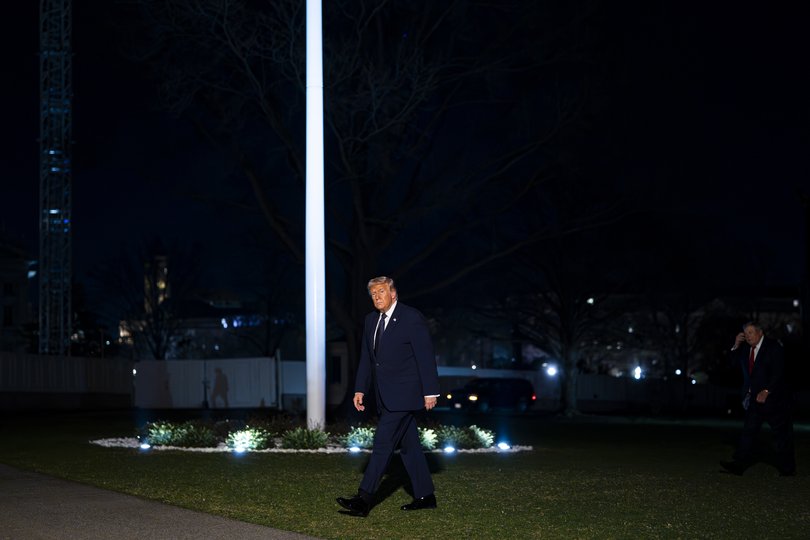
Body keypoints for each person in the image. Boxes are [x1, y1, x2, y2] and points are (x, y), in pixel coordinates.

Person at [336, 276, 441, 517]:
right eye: (373, 293)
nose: (377, 297)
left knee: (382, 444)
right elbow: (368, 358)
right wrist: (360, 389)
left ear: (393, 293)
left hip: (406, 394)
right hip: (384, 395)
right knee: (410, 448)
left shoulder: (411, 317)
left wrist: (430, 391)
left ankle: (363, 500)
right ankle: (426, 496)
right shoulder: (371, 320)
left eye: (381, 291)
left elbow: (425, 355)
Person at [720, 322, 795, 476]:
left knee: (781, 435)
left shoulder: (773, 347)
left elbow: (778, 372)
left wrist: (767, 390)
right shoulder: (745, 349)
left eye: (751, 332)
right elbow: (732, 365)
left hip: (774, 401)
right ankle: (738, 466)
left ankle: (788, 469)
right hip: (754, 401)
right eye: (745, 333)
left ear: (760, 333)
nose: (748, 336)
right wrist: (735, 345)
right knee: (748, 432)